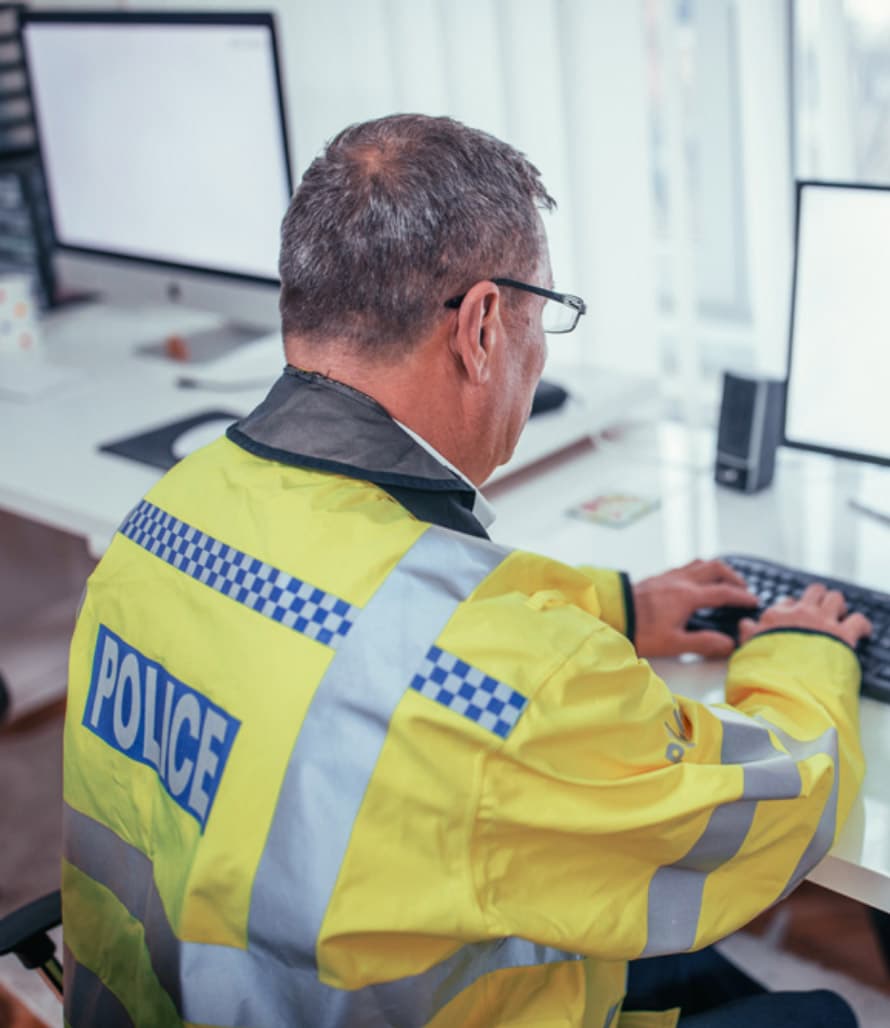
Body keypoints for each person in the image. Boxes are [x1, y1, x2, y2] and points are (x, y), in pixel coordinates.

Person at [62, 114, 870, 1028]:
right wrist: (802, 650)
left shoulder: (165, 516)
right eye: (545, 314)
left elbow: (359, 615)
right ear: (483, 324)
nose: (543, 348)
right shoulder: (511, 686)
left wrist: (614, 607)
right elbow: (768, 810)